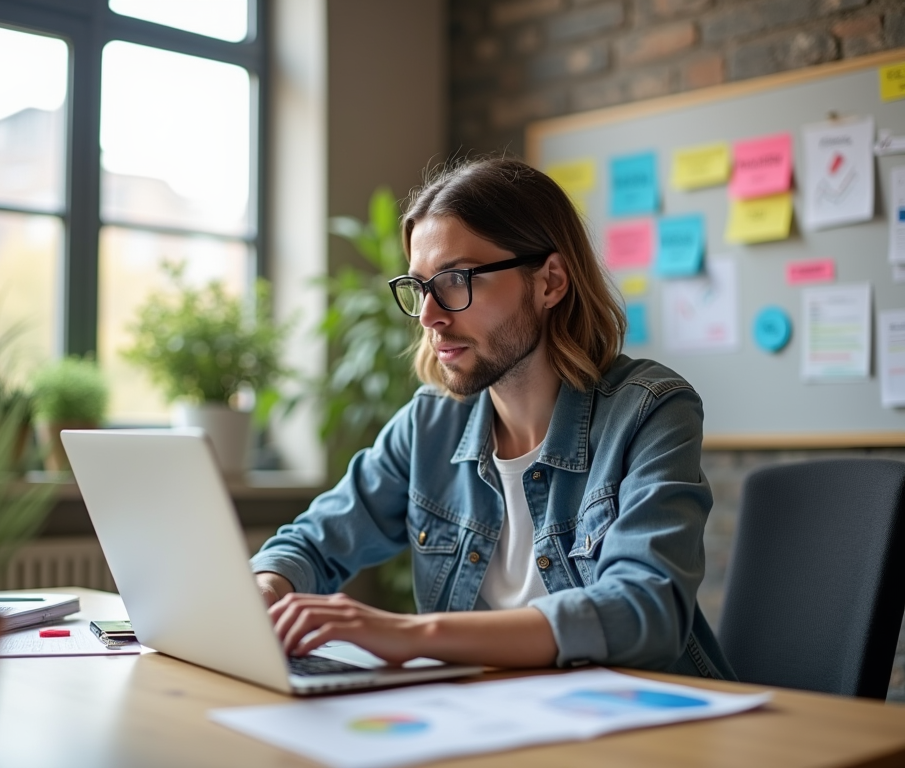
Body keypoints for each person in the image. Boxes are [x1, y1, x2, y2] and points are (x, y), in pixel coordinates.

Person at [252, 156, 735, 680]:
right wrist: (266, 588)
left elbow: (644, 614)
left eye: (456, 279)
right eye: (420, 287)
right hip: (486, 719)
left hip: (643, 726)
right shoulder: (429, 427)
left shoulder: (650, 410)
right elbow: (311, 542)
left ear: (550, 281)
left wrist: (414, 636)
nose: (431, 316)